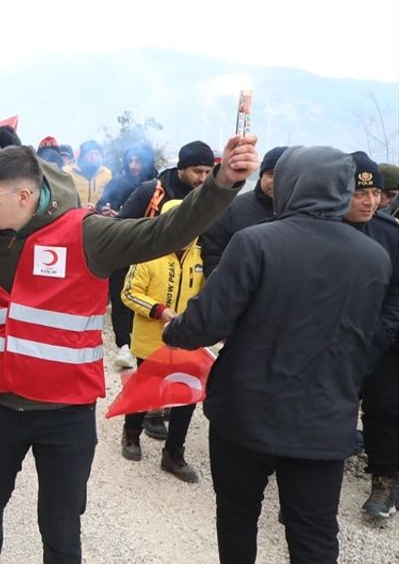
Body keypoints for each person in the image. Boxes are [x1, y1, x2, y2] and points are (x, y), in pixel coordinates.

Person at [0, 135, 257, 564]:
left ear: (24, 195)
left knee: (61, 519)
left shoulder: (87, 234)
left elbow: (165, 231)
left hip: (65, 413)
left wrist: (221, 182)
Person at [162, 146, 389, 564]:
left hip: (246, 414)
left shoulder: (256, 242)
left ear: (289, 183)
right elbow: (365, 334)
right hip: (325, 419)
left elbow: (206, 323)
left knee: (237, 516)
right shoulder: (374, 257)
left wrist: (173, 330)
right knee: (316, 535)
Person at [109, 140, 216, 371]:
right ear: (181, 168)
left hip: (185, 269)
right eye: (198, 171)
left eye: (208, 172)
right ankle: (125, 347)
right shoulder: (153, 191)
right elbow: (120, 226)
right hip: (140, 262)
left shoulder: (207, 197)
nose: (203, 178)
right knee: (127, 304)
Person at [118, 198, 203, 482]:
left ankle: (174, 453)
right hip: (151, 339)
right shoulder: (148, 254)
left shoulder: (202, 258)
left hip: (187, 341)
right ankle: (131, 435)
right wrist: (159, 310)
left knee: (185, 398)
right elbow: (128, 293)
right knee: (145, 390)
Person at [344, 152, 399, 521]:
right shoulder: (320, 228)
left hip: (380, 343)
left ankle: (384, 479)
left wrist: (377, 338)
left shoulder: (390, 235)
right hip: (327, 343)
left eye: (376, 193)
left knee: (384, 411)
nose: (369, 201)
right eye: (359, 193)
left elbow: (396, 296)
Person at [199, 146, 287, 277]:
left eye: (283, 175)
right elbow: (211, 253)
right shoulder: (232, 209)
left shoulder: (303, 215)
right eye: (271, 174)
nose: (275, 181)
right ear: (261, 175)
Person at [96, 143, 156, 214]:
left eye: (138, 162)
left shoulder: (154, 186)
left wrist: (121, 215)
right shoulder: (116, 182)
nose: (132, 166)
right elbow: (101, 204)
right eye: (130, 161)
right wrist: (105, 210)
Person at [66, 140, 113, 208]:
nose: (93, 157)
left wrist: (99, 208)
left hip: (97, 215)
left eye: (96, 154)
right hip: (75, 215)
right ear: (82, 155)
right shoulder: (68, 171)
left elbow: (109, 197)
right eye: (90, 154)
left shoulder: (106, 173)